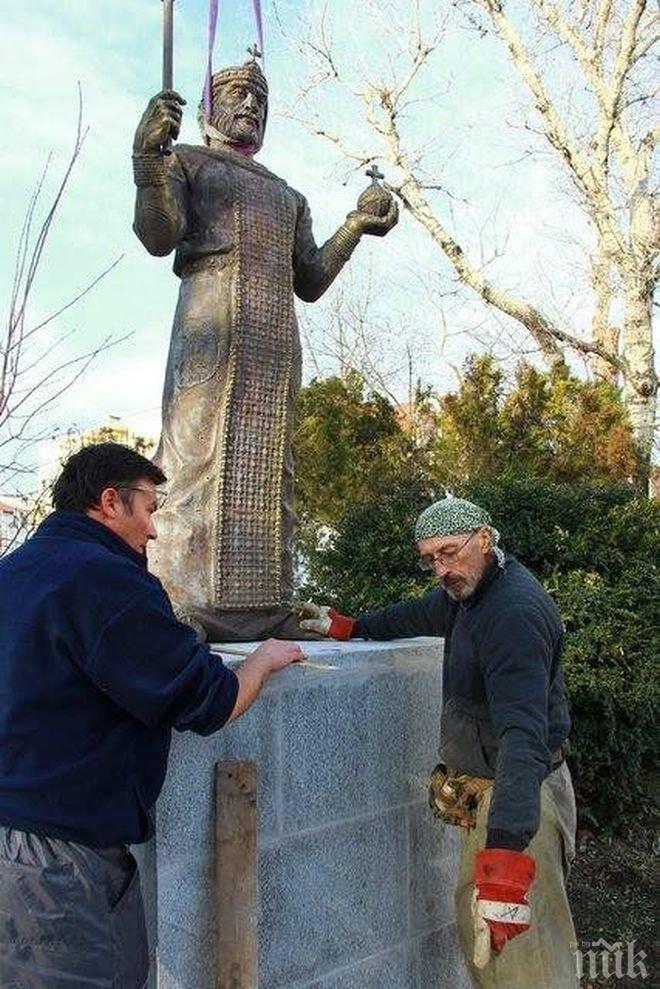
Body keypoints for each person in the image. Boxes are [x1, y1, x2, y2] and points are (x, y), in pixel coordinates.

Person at [0, 443, 304, 989]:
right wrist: (261, 660)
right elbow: (208, 701)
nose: (155, 530)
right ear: (110, 502)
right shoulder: (102, 579)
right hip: (54, 862)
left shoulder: (16, 571)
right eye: (150, 508)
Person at [132, 55, 398, 641]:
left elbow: (309, 278)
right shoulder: (187, 160)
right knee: (192, 454)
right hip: (212, 324)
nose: (250, 104)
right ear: (206, 108)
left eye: (259, 97)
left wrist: (355, 224)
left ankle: (262, 601)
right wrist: (147, 161)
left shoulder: (286, 195)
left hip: (274, 340)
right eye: (234, 92)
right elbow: (157, 236)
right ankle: (179, 597)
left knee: (270, 464)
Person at [299, 496, 578, 989]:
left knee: (521, 962)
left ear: (485, 539)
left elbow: (523, 737)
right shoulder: (469, 594)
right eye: (430, 558)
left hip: (518, 798)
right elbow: (415, 615)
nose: (441, 569)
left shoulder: (512, 613)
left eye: (449, 552)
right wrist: (352, 627)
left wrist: (507, 856)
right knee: (493, 951)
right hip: (499, 793)